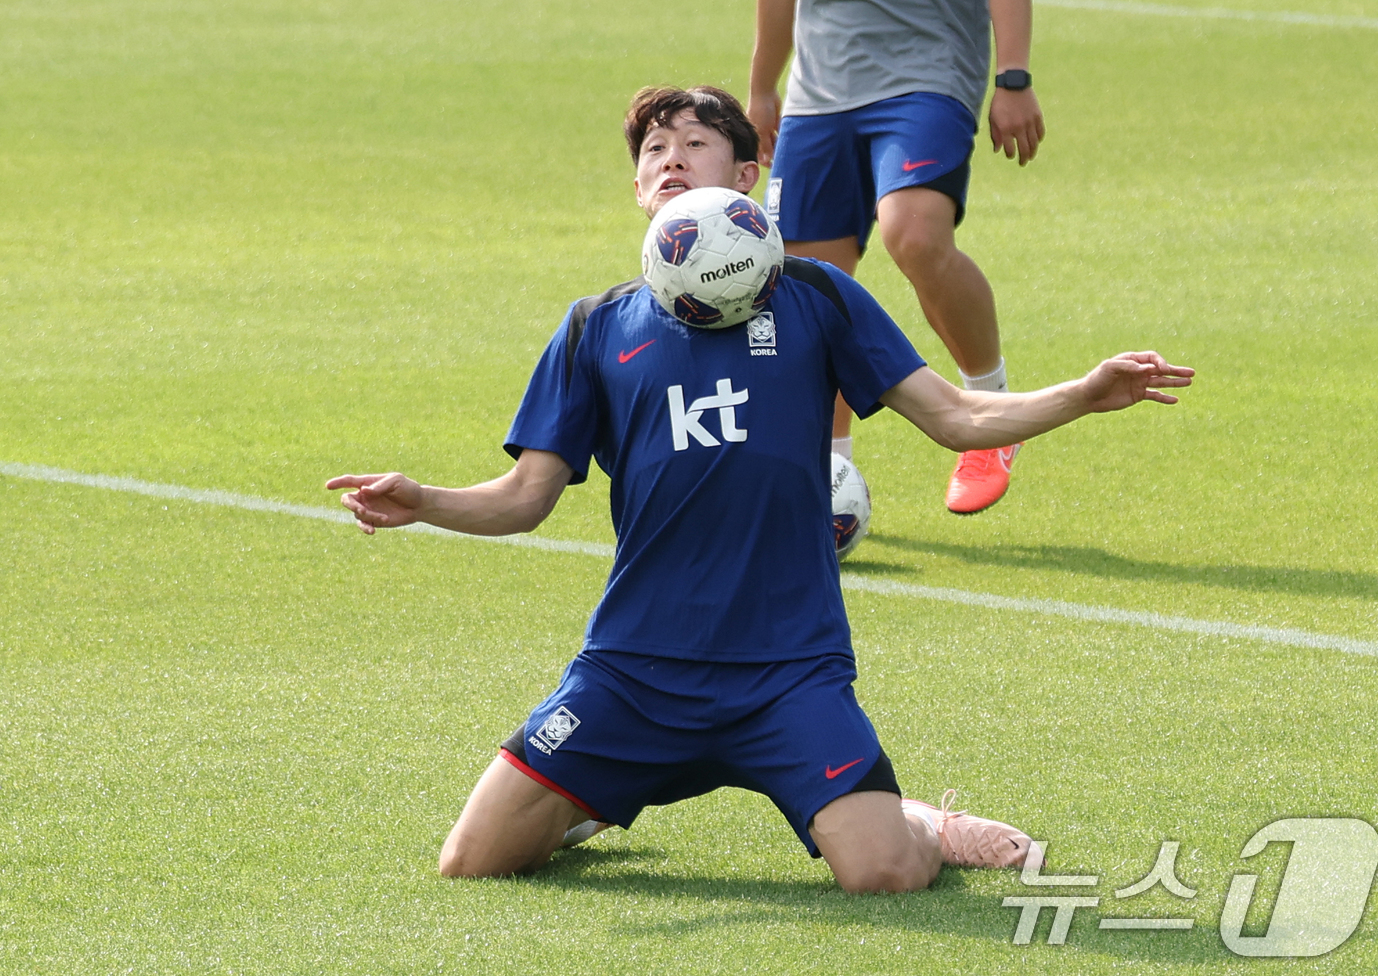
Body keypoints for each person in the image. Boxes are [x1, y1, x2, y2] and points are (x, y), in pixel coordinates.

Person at [326, 86, 1191, 893]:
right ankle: (586, 799)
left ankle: (924, 823)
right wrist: (426, 500)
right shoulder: (595, 327)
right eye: (654, 150)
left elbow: (955, 415)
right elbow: (525, 497)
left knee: (883, 872)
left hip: (788, 670)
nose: (670, 158)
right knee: (472, 863)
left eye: (694, 144)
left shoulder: (817, 295)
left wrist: (1082, 394)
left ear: (746, 177)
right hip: (635, 669)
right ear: (639, 190)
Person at [748, 0, 1047, 515]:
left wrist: (1013, 77)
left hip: (928, 74)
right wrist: (760, 88)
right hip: (817, 94)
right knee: (808, 286)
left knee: (915, 235)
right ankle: (828, 474)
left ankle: (992, 418)